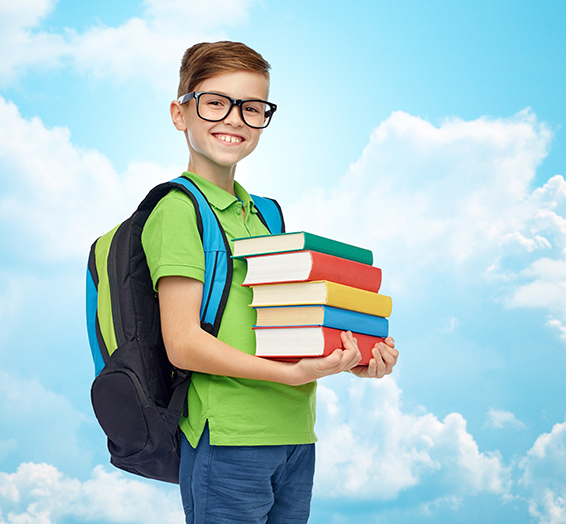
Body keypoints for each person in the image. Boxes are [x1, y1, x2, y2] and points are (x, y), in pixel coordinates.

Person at [140, 41, 398, 524]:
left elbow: (282, 328)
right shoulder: (178, 211)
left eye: (252, 107)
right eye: (216, 102)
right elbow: (183, 343)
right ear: (180, 113)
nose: (234, 119)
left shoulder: (265, 214)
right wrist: (291, 375)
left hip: (296, 433)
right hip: (230, 437)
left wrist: (350, 359)